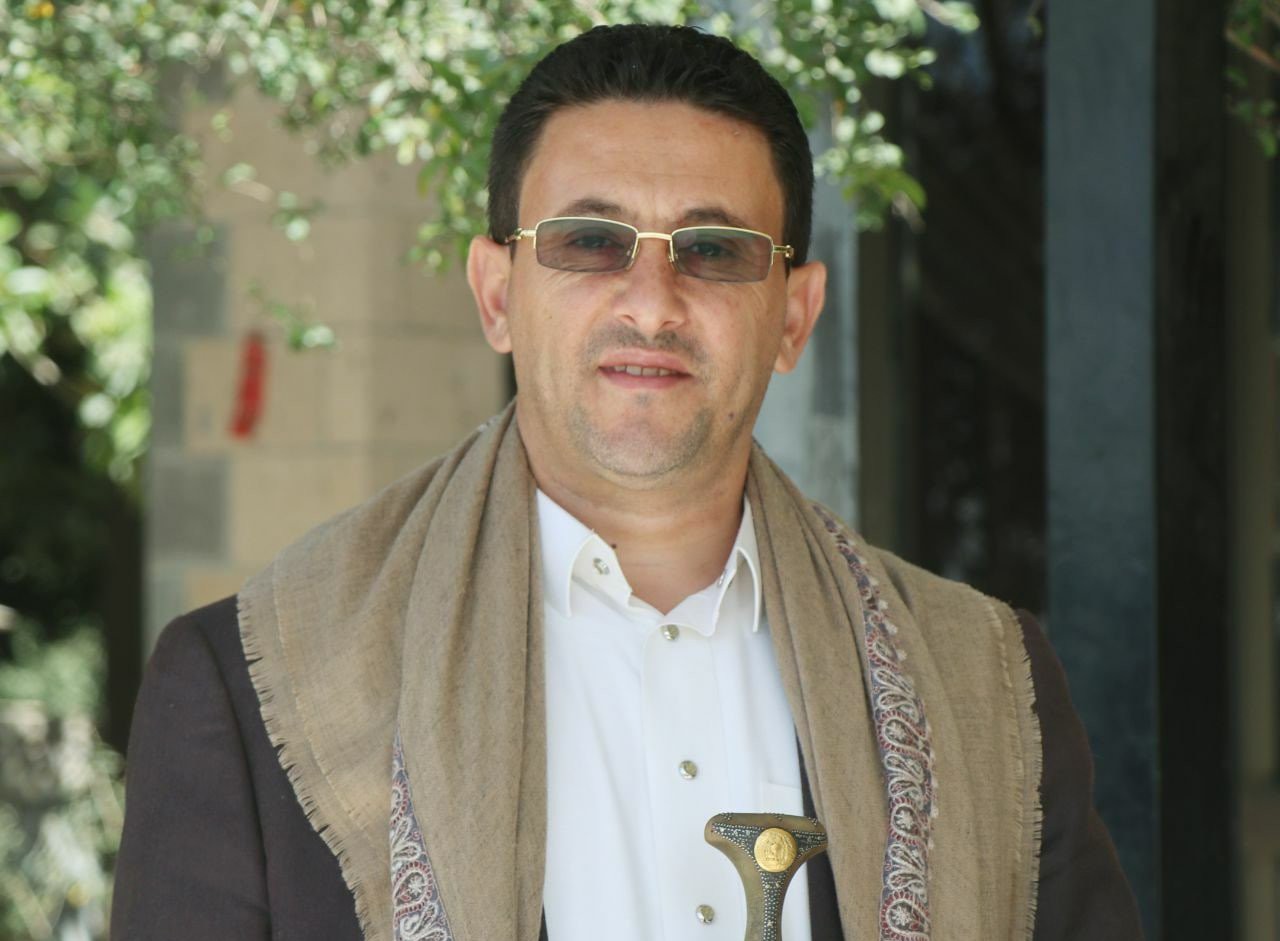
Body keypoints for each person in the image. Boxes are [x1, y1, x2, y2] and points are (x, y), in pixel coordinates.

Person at [112, 24, 1141, 941]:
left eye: (714, 249)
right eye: (589, 241)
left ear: (793, 315)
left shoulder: (985, 689)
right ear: (496, 294)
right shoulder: (258, 696)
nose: (651, 302)